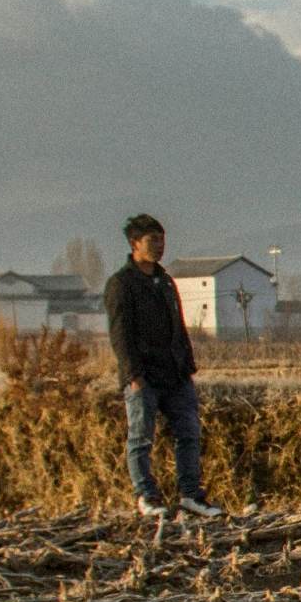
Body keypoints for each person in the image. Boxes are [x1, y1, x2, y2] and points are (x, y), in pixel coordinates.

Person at [103, 213, 222, 518]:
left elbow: (178, 327)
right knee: (141, 437)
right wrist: (133, 375)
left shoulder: (165, 280)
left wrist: (187, 366)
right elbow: (120, 333)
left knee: (189, 433)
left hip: (176, 374)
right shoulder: (121, 284)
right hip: (144, 376)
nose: (159, 246)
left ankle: (191, 496)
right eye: (152, 240)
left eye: (162, 239)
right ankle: (146, 496)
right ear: (134, 244)